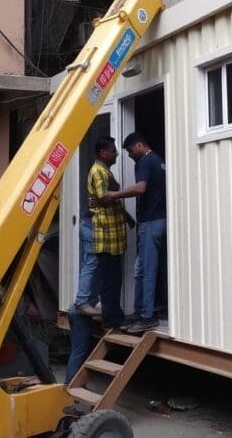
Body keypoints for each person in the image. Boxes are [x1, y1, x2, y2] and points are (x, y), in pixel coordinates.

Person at [102, 132, 166, 334]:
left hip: (151, 222)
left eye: (130, 151)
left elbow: (140, 189)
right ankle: (141, 312)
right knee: (141, 270)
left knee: (146, 270)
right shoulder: (158, 160)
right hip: (156, 221)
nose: (129, 156)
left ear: (139, 145)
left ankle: (147, 317)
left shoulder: (146, 162)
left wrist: (114, 195)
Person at [87, 136, 129, 329]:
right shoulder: (99, 172)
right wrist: (126, 192)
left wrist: (128, 218)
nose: (116, 154)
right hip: (106, 235)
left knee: (114, 278)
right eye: (113, 150)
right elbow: (103, 197)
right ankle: (112, 319)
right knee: (110, 280)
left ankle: (115, 315)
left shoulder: (104, 171)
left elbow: (103, 198)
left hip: (112, 234)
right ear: (103, 153)